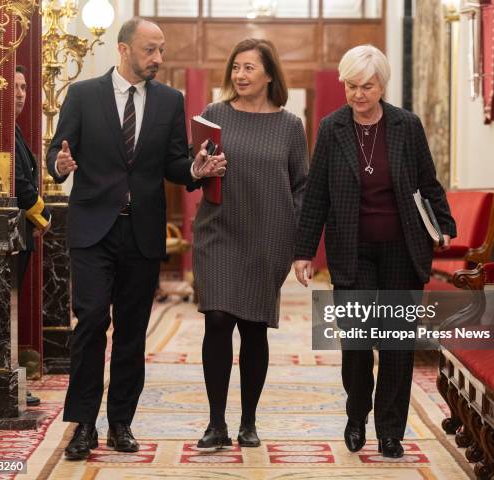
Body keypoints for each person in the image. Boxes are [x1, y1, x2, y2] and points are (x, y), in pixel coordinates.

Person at [46, 17, 225, 460]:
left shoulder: (169, 101)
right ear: (123, 50)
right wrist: (61, 166)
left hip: (142, 233)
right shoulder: (83, 95)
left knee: (132, 332)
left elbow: (174, 164)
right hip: (93, 230)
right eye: (150, 50)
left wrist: (195, 172)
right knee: (90, 323)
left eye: (161, 50)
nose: (158, 59)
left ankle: (120, 423)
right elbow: (56, 153)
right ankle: (83, 424)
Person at [293, 45, 456, 458]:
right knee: (358, 342)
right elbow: (316, 196)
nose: (358, 94)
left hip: (403, 249)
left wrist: (444, 225)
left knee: (397, 344)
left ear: (382, 85)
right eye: (351, 85)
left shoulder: (407, 126)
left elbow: (428, 182)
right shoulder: (333, 128)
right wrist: (304, 251)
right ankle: (355, 415)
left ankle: (389, 432)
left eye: (366, 86)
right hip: (352, 251)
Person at [192, 38, 308, 450]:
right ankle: (215, 423)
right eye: (235, 67)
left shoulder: (290, 126)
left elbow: (301, 186)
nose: (239, 75)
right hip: (218, 231)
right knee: (218, 319)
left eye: (249, 68)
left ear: (270, 75)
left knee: (254, 329)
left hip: (268, 236)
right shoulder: (214, 116)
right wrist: (201, 167)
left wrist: (297, 242)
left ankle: (249, 422)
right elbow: (195, 169)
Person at [14, 65, 52, 408]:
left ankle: (11, 380)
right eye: (15, 86)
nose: (21, 93)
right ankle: (5, 382)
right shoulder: (1, 135)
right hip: (11, 233)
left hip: (19, 234)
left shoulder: (15, 131)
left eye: (25, 87)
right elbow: (22, 185)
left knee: (12, 307)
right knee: (6, 309)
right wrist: (44, 214)